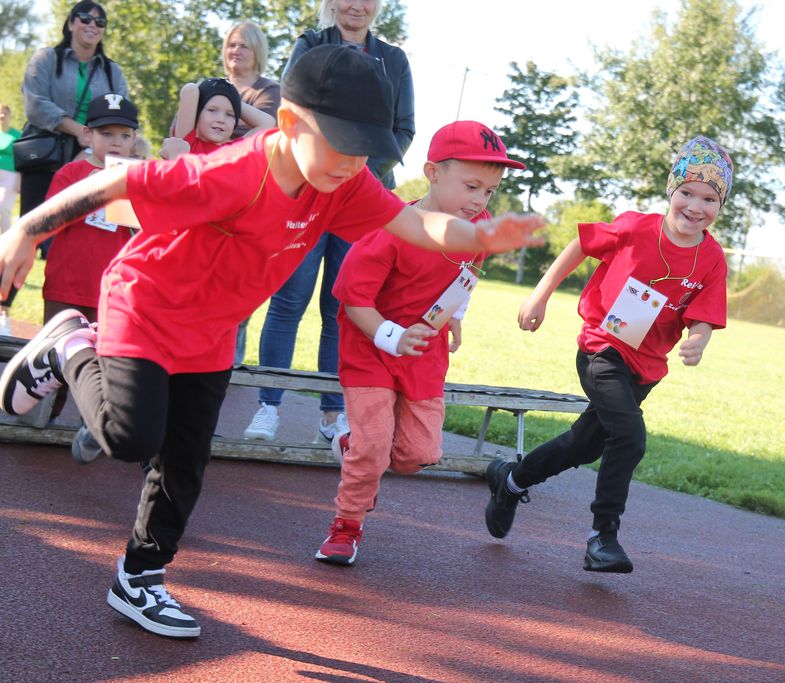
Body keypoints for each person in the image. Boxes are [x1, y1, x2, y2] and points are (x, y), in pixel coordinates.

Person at [0, 45, 542, 639]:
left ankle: (140, 577)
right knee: (131, 437)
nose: (351, 162)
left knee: (185, 461)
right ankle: (69, 345)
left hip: (213, 330)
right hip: (147, 307)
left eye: (363, 150)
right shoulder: (233, 172)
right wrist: (26, 229)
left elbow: (413, 223)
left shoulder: (343, 181)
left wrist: (479, 236)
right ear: (289, 123)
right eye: (339, 144)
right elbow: (118, 179)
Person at [484, 136, 733, 574]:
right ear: (671, 190)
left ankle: (511, 480)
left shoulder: (711, 258)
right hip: (602, 348)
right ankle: (603, 536)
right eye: (687, 193)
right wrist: (540, 295)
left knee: (583, 445)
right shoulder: (635, 228)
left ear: (720, 204)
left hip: (645, 369)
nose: (696, 206)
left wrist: (700, 338)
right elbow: (580, 245)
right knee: (630, 437)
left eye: (709, 199)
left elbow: (704, 316)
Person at [316, 120, 526, 565]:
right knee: (375, 447)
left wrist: (455, 317)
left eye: (489, 191)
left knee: (417, 455)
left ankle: (353, 447)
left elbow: (469, 272)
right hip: (371, 343)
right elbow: (354, 301)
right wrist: (394, 337)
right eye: (471, 186)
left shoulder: (479, 228)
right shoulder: (388, 227)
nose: (480, 201)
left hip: (425, 348)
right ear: (432, 173)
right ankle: (346, 525)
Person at [245, 0, 415, 443]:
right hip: (307, 194)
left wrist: (356, 174)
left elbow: (404, 130)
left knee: (342, 308)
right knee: (288, 301)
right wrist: (324, 166)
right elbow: (290, 113)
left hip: (360, 201)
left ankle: (332, 414)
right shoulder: (310, 45)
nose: (356, 5)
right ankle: (268, 406)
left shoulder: (394, 60)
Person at [40, 93, 138, 430]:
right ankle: (43, 416)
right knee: (54, 357)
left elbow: (141, 230)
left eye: (124, 135)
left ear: (134, 139)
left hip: (110, 292)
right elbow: (50, 220)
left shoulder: (134, 177)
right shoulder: (71, 173)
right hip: (66, 284)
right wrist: (95, 189)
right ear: (87, 135)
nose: (116, 142)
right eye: (106, 134)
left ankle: (94, 426)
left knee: (103, 363)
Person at [20, 0, 128, 246]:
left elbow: (121, 115)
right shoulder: (46, 58)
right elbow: (35, 103)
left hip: (92, 156)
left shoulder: (112, 71)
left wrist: (91, 144)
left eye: (100, 22)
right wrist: (78, 130)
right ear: (70, 23)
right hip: (45, 153)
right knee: (30, 230)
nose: (93, 25)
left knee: (80, 234)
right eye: (85, 19)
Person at [222, 20, 282, 363]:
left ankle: (230, 364)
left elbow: (262, 137)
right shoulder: (210, 85)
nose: (236, 51)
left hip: (249, 198)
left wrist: (217, 133)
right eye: (231, 44)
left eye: (243, 45)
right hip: (208, 195)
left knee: (238, 288)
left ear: (257, 50)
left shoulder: (268, 91)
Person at [159, 78, 274, 160]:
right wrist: (223, 92)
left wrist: (233, 99)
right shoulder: (186, 143)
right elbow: (190, 90)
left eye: (230, 114)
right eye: (212, 110)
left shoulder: (234, 152)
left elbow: (268, 123)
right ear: (197, 113)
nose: (221, 119)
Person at [0, 104, 20, 336]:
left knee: (3, 208)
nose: (3, 116)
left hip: (11, 176)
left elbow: (21, 157)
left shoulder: (16, 135)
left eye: (6, 112)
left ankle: (6, 241)